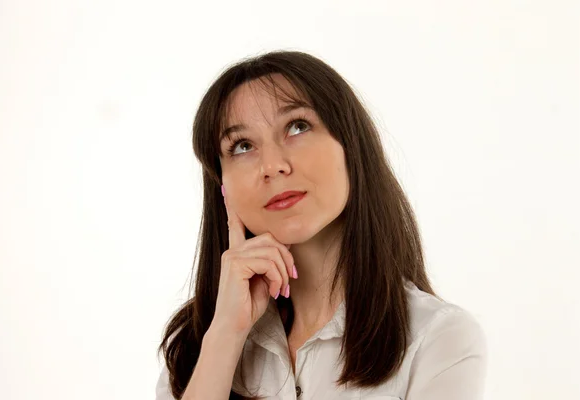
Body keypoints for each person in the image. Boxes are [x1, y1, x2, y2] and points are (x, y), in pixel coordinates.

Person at [155, 50, 487, 400]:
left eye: (297, 126)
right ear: (222, 187)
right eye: (241, 146)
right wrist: (225, 335)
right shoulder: (194, 348)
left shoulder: (437, 337)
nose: (272, 165)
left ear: (351, 146)